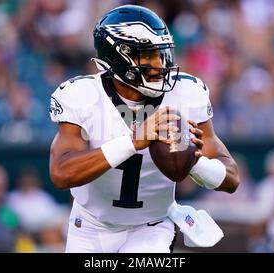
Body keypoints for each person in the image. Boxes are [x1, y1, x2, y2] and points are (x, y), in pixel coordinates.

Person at [49, 5, 239, 253]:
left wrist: (193, 162)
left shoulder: (187, 93)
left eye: (162, 54)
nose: (160, 64)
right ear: (117, 58)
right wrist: (133, 142)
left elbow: (232, 179)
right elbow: (62, 174)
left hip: (152, 226)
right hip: (91, 227)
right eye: (148, 55)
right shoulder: (81, 95)